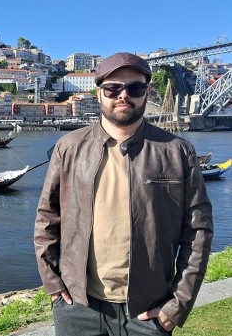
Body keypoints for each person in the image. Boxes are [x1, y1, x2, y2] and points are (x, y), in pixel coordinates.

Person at [34, 52, 213, 335]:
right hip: (79, 307)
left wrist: (176, 306)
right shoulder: (68, 148)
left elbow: (198, 232)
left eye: (135, 87)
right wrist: (54, 286)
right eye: (113, 88)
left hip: (148, 310)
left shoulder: (178, 152)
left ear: (146, 92)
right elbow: (47, 219)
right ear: (99, 93)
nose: (123, 95)